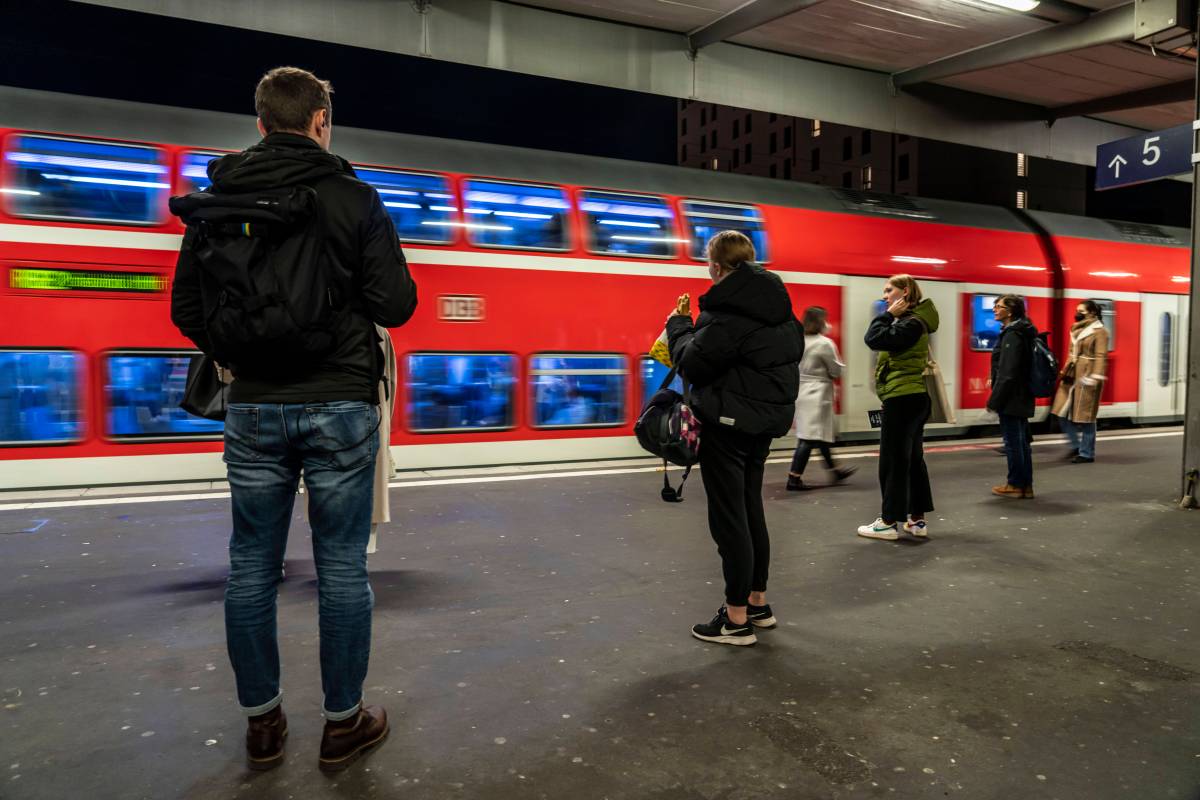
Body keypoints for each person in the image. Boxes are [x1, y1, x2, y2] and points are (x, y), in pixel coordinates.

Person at [170, 66, 418, 772]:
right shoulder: (353, 198)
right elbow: (395, 305)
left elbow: (186, 310)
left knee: (250, 565)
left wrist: (243, 354)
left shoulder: (219, 201)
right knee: (341, 568)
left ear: (260, 124)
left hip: (253, 407)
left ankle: (263, 725)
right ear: (319, 122)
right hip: (340, 401)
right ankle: (343, 725)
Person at [666, 230, 803, 646]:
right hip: (763, 425)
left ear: (718, 266)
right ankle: (758, 604)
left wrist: (678, 327)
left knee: (730, 519)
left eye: (708, 263)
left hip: (727, 426)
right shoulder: (779, 308)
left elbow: (693, 361)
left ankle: (736, 619)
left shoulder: (728, 312)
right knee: (750, 510)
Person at [858, 274, 937, 541]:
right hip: (911, 399)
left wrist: (886, 315)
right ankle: (916, 521)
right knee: (912, 460)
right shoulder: (915, 321)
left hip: (903, 399)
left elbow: (873, 338)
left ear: (904, 292)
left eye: (888, 290)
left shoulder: (910, 324)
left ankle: (888, 522)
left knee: (893, 461)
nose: (884, 296)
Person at [787, 306, 855, 491]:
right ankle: (794, 478)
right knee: (808, 438)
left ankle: (835, 471)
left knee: (819, 436)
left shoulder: (797, 340)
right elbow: (836, 370)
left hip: (800, 392)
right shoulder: (824, 343)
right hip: (817, 394)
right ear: (820, 322)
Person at [987, 295, 1038, 498]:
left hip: (1012, 396)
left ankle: (1016, 484)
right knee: (1021, 441)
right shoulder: (1021, 330)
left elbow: (1008, 372)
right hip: (1021, 393)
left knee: (1013, 442)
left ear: (1010, 311)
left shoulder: (1012, 334)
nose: (994, 310)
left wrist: (994, 400)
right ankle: (1026, 485)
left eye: (999, 307)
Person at [1053, 300, 1108, 464]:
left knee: (1086, 416)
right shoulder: (1076, 328)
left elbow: (1100, 355)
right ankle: (1076, 445)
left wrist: (1096, 376)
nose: (1077, 313)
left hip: (1088, 375)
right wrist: (1063, 371)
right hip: (1072, 373)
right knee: (1060, 412)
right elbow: (1071, 352)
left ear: (1092, 313)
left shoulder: (1100, 331)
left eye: (1081, 311)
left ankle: (1086, 453)